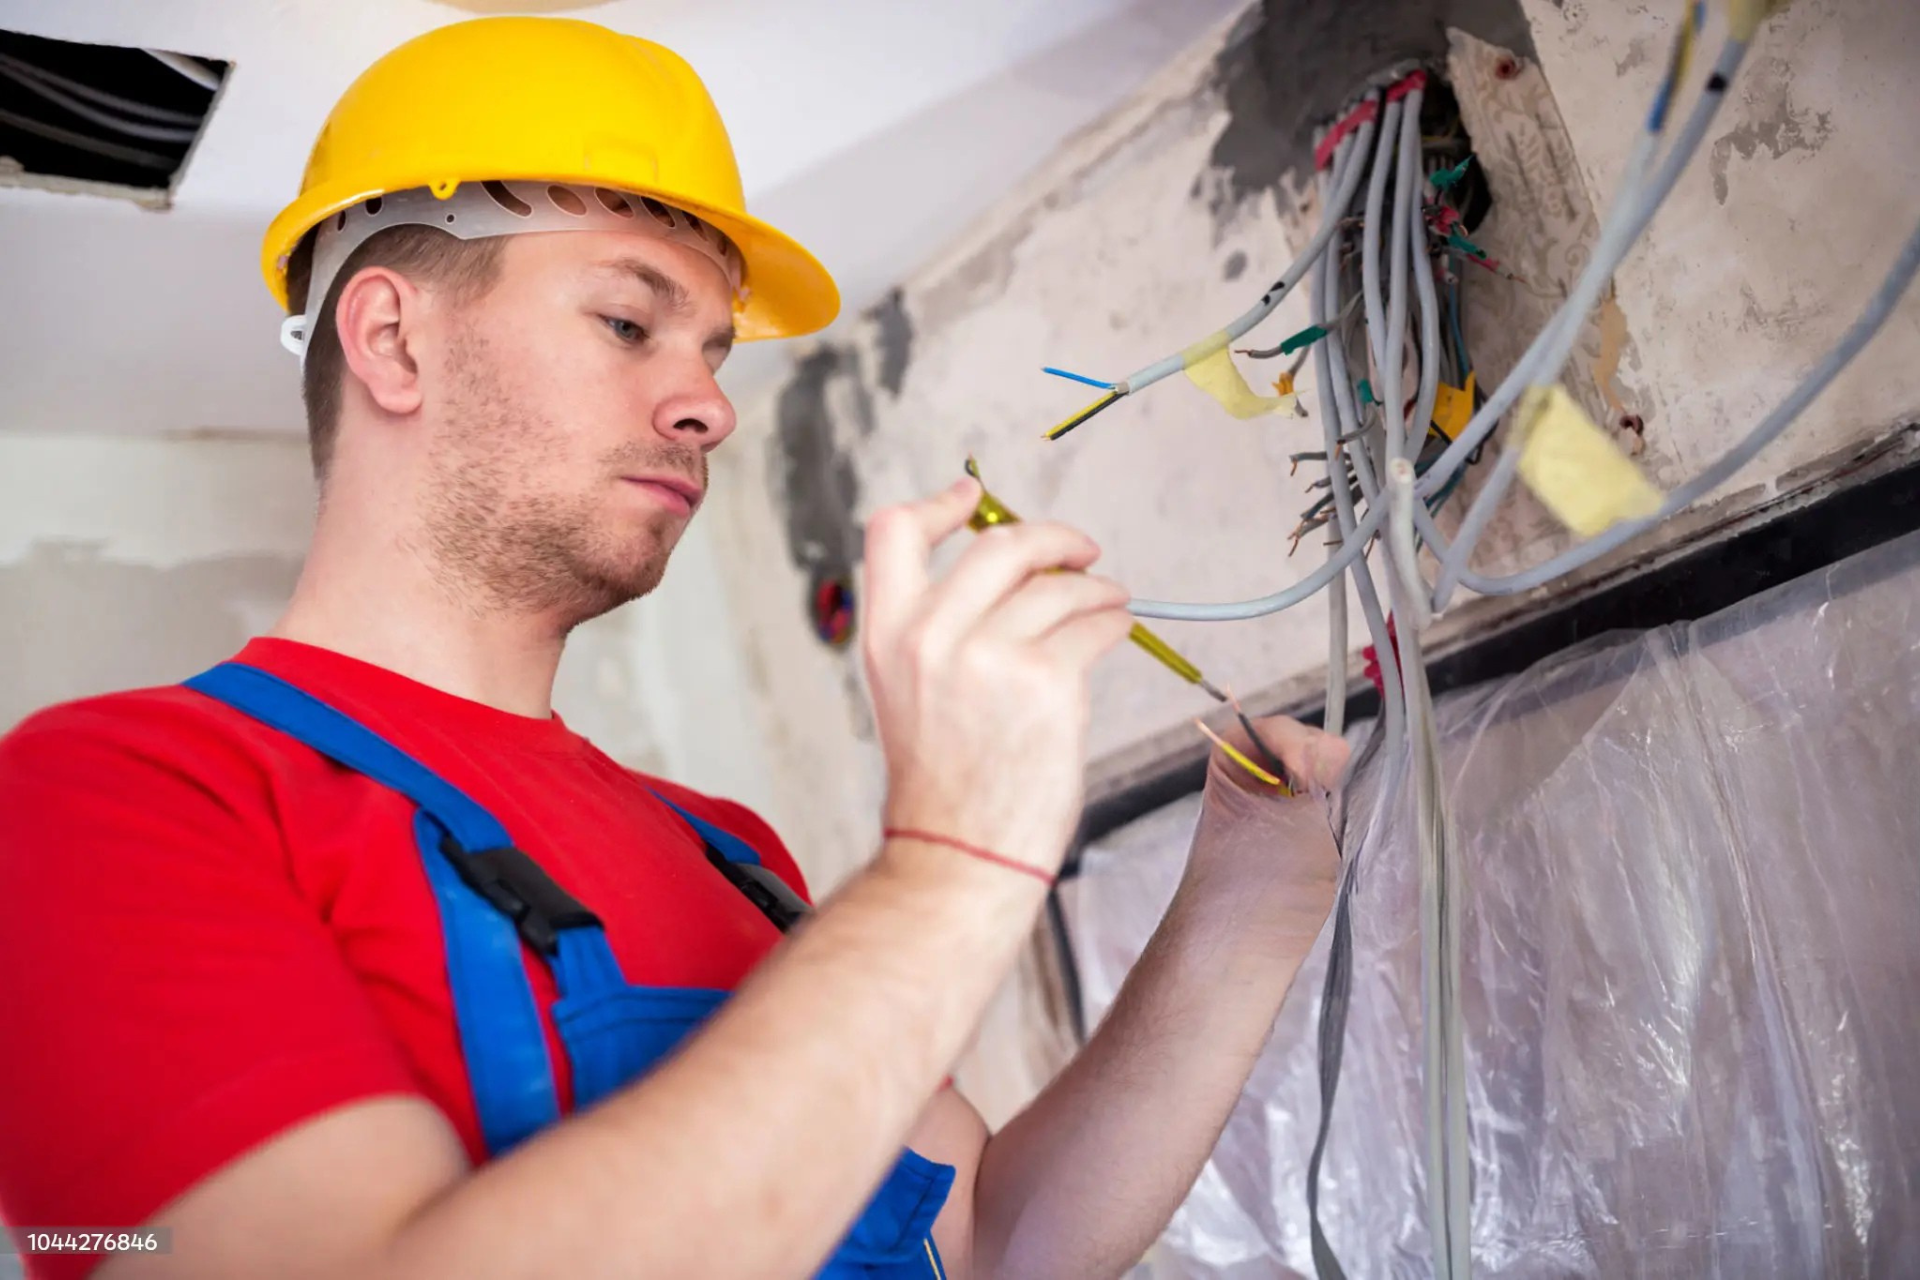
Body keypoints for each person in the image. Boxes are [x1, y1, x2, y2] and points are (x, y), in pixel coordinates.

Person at [0, 17, 1346, 1279]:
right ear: (394, 341)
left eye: (710, 351)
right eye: (629, 323)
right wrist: (948, 870)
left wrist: (1244, 907)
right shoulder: (107, 800)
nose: (710, 404)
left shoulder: (727, 848)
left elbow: (992, 1235)